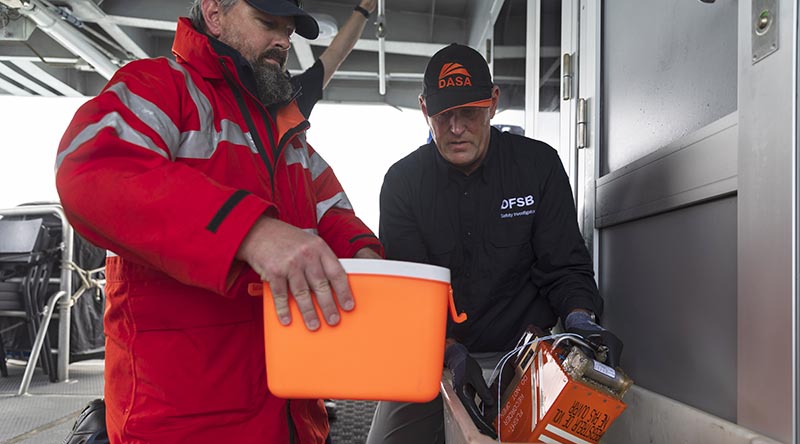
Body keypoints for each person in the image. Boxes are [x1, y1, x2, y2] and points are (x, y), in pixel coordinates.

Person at [54, 0, 383, 442]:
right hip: (185, 424)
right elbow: (89, 170)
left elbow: (332, 212)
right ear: (213, 12)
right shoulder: (160, 87)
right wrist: (250, 231)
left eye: (288, 30)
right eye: (268, 24)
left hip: (295, 418)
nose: (283, 42)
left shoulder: (286, 129)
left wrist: (370, 261)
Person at [367, 43, 623, 443]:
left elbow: (565, 268)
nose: (456, 128)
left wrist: (581, 322)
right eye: (443, 115)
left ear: (493, 103)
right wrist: (449, 351)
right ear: (423, 110)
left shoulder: (539, 167)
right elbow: (410, 297)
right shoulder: (402, 184)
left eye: (468, 112)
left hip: (522, 354)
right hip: (432, 351)